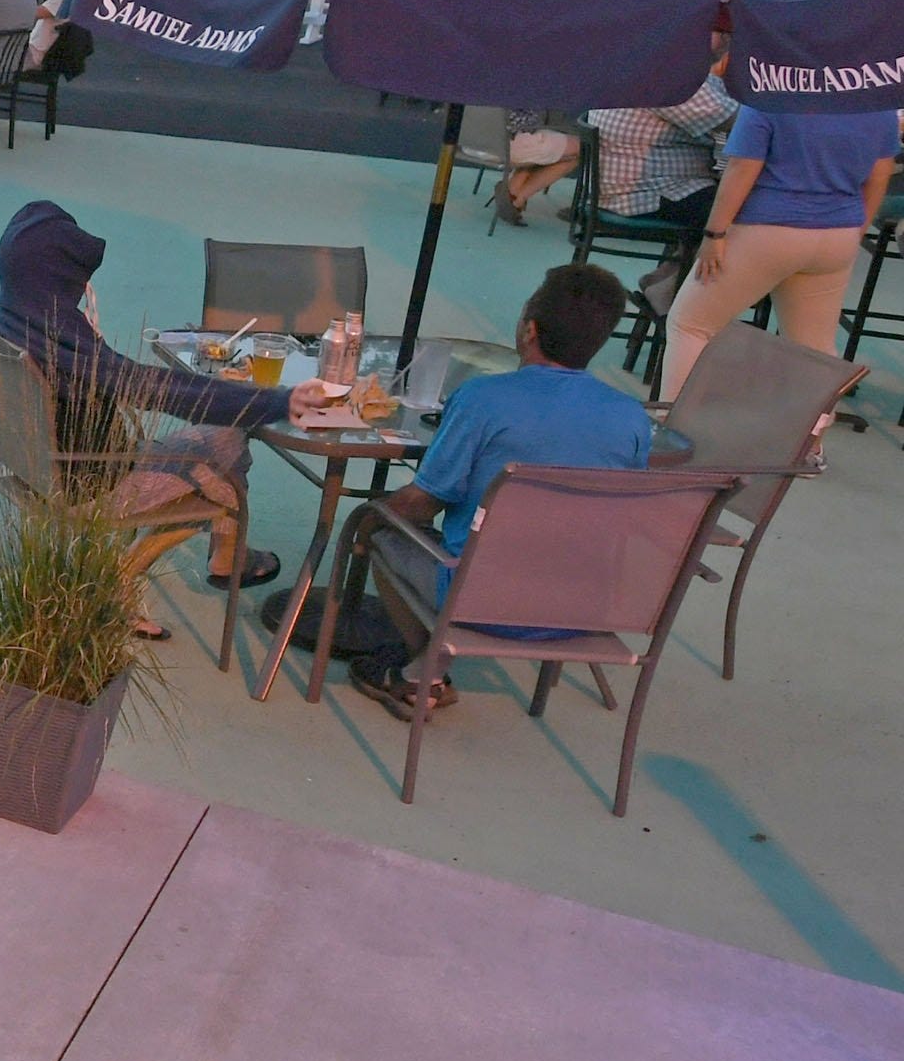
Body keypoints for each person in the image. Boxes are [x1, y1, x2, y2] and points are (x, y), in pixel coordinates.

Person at [346, 265, 653, 721]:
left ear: (529, 329)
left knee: (383, 531)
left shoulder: (483, 398)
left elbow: (425, 501)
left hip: (484, 599)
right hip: (581, 605)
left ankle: (421, 677)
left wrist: (367, 517)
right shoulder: (632, 419)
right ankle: (427, 668)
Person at [0, 201, 295, 632]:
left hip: (34, 469)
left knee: (220, 451)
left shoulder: (6, 319)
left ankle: (228, 555)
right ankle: (122, 581)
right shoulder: (63, 341)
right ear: (58, 277)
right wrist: (277, 401)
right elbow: (154, 389)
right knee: (225, 460)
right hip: (89, 482)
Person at [660, 102, 901, 398]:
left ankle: (671, 431)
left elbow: (742, 168)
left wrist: (715, 233)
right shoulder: (877, 103)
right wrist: (855, 229)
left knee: (691, 326)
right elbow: (879, 175)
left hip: (768, 227)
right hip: (839, 230)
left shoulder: (772, 92)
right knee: (814, 351)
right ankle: (810, 442)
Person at [586, 46, 738, 237]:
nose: (727, 39)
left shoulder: (635, 61)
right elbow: (738, 122)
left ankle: (674, 267)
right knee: (750, 213)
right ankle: (686, 266)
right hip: (647, 195)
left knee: (732, 199)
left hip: (619, 189)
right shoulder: (666, 76)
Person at [493, 111, 583, 224]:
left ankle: (513, 191)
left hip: (476, 144)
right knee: (584, 147)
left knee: (558, 150)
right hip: (510, 144)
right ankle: (516, 198)